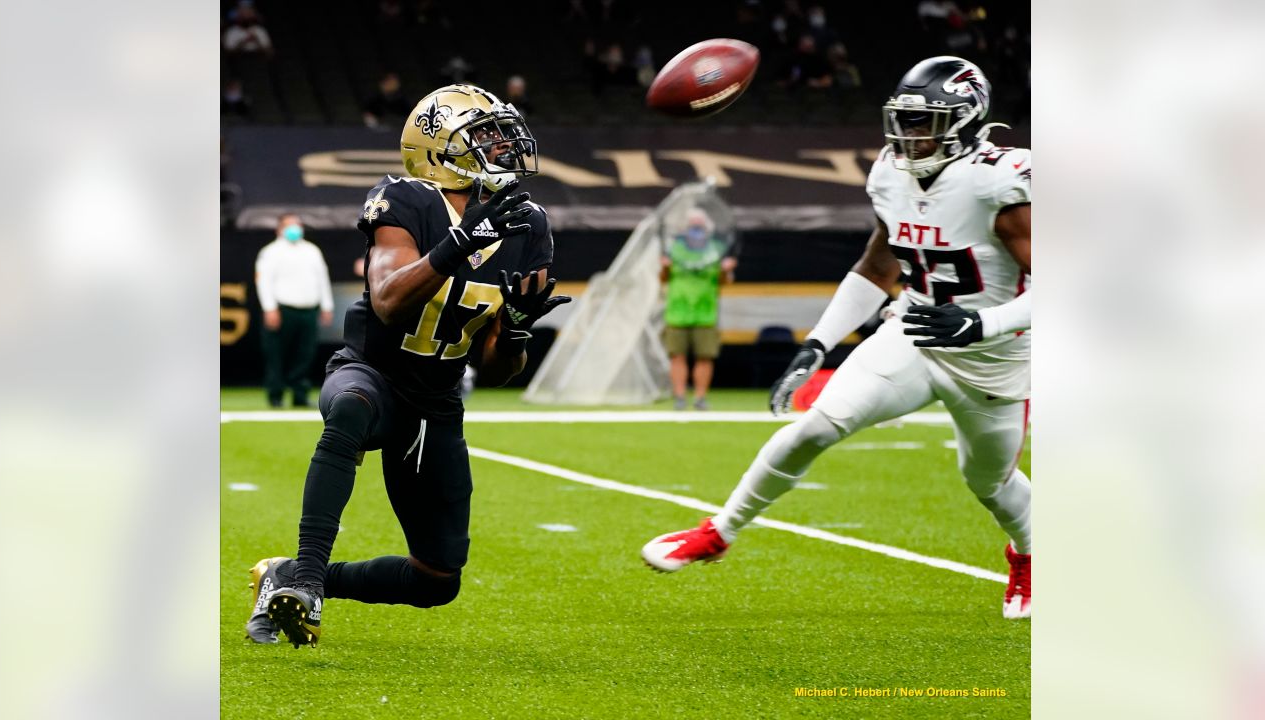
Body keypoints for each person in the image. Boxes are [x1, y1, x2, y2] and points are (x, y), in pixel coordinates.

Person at [642, 56, 1033, 620]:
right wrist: (818, 342)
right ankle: (718, 532)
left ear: (966, 120)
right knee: (817, 426)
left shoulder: (998, 181)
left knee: (988, 481)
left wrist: (981, 323)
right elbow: (877, 269)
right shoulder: (891, 173)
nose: (908, 135)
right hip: (915, 332)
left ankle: (1027, 554)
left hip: (993, 355)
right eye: (903, 120)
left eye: (924, 123)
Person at [245, 84, 570, 647]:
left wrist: (516, 327)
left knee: (437, 579)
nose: (501, 147)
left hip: (436, 399)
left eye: (500, 133)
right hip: (373, 372)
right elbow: (390, 301)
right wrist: (462, 242)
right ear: (439, 148)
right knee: (350, 408)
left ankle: (286, 577)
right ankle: (307, 581)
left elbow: (497, 373)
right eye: (484, 136)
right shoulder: (407, 199)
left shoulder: (527, 222)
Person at [254, 214, 334, 408]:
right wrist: (269, 308)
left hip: (309, 310)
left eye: (298, 224)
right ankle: (275, 395)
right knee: (277, 354)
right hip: (283, 309)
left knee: (304, 354)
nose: (295, 229)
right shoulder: (270, 252)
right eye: (289, 225)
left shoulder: (312, 250)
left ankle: (299, 394)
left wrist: (327, 305)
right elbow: (263, 281)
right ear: (279, 229)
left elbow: (322, 279)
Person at [661, 207, 736, 411]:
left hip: (705, 312)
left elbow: (724, 281)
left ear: (707, 227)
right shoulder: (675, 248)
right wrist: (665, 267)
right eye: (692, 224)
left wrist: (726, 270)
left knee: (705, 356)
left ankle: (700, 398)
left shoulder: (715, 249)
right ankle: (680, 397)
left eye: (699, 224)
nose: (696, 228)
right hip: (677, 311)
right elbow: (663, 278)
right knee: (677, 356)